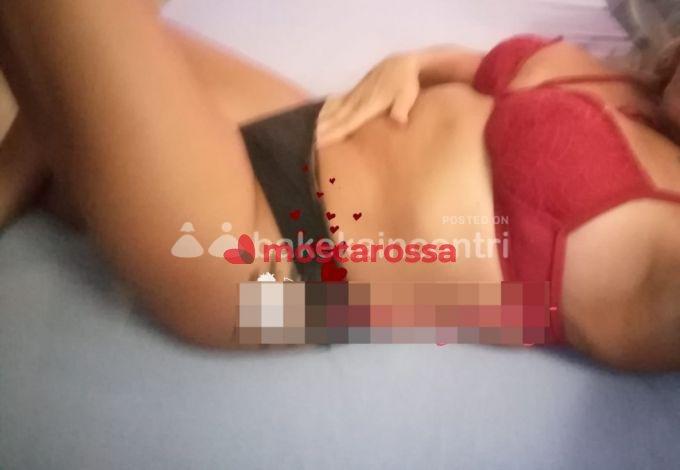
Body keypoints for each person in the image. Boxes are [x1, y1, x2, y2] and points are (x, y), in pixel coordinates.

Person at [0, 0, 678, 370]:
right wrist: (413, 63)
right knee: (54, 64)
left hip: (277, 265)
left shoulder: (663, 258)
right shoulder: (627, 81)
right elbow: (471, 70)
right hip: (299, 124)